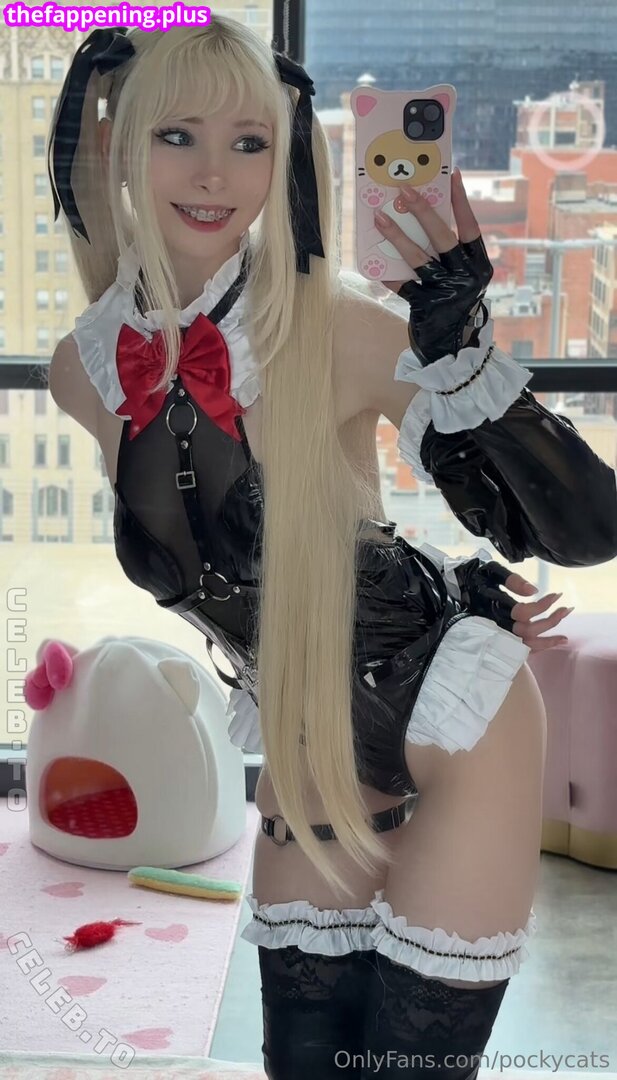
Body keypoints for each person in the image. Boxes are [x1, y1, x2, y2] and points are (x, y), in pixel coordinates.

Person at [46, 17, 617, 1079]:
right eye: (178, 136)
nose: (214, 174)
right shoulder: (83, 371)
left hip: (457, 727)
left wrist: (458, 347)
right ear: (121, 147)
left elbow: (582, 530)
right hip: (308, 747)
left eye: (249, 142)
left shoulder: (340, 325)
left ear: (284, 159)